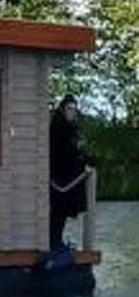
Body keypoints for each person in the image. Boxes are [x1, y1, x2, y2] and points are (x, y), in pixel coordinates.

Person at [49, 94, 92, 249]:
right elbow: (63, 152)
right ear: (63, 109)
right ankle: (54, 241)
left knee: (62, 211)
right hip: (58, 175)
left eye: (74, 109)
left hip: (67, 175)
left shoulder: (73, 129)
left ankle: (57, 240)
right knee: (58, 211)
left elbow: (76, 152)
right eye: (69, 108)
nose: (72, 112)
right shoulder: (57, 128)